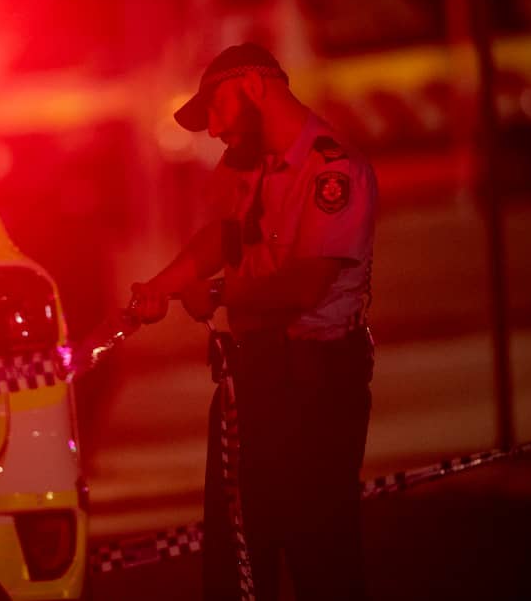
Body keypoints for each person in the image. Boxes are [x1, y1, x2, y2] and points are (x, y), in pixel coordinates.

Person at [129, 43, 377, 601]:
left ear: (254, 89)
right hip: (254, 376)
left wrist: (216, 292)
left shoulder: (332, 169)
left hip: (316, 382)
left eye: (216, 109)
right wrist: (160, 289)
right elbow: (223, 236)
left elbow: (305, 285)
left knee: (321, 550)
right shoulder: (253, 165)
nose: (213, 129)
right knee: (240, 547)